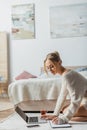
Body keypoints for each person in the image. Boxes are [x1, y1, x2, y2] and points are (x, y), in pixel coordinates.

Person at [41, 51, 87, 124]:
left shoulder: (68, 76)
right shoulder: (66, 74)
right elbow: (62, 95)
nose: (50, 70)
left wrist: (64, 119)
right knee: (64, 109)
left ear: (59, 62)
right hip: (84, 101)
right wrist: (55, 114)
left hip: (84, 102)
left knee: (67, 113)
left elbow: (76, 101)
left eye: (52, 66)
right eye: (48, 68)